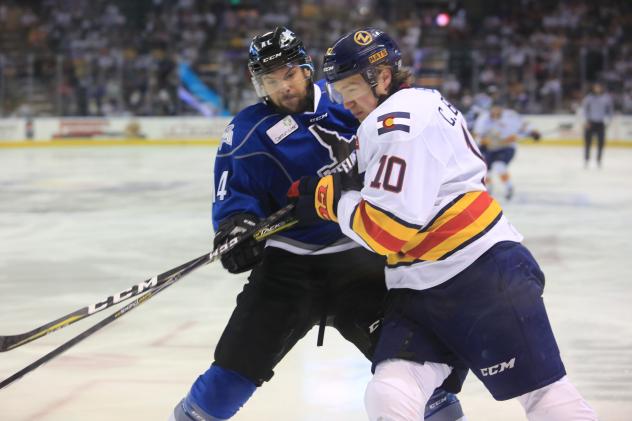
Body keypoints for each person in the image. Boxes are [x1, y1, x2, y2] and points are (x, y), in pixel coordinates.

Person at [288, 28, 598, 421]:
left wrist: (330, 199)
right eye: (338, 91)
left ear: (382, 78)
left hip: (477, 274)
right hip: (419, 287)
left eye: (351, 88)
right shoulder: (419, 103)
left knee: (544, 395)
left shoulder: (395, 122)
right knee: (389, 389)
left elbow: (386, 230)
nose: (345, 101)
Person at [170, 27, 465, 421]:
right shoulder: (245, 133)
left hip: (361, 260)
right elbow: (234, 198)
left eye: (288, 74)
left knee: (421, 376)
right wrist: (237, 230)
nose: (283, 87)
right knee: (229, 376)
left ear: (307, 69)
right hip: (288, 270)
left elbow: (396, 154)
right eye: (270, 80)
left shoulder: (349, 98)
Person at [472, 103, 540, 200]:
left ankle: (509, 188)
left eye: (498, 109)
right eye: (493, 110)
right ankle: (487, 190)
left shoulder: (511, 116)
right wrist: (482, 141)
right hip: (489, 149)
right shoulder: (483, 119)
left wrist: (533, 131)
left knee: (500, 166)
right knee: (485, 170)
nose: (495, 112)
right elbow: (477, 135)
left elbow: (524, 125)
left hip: (507, 148)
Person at [581, 82, 613, 168]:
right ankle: (586, 160)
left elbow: (610, 111)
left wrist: (608, 121)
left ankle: (599, 160)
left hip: (601, 123)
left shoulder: (606, 98)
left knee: (601, 143)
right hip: (590, 123)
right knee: (588, 143)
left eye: (599, 87)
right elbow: (584, 110)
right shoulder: (589, 98)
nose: (597, 89)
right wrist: (585, 121)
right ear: (593, 88)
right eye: (596, 87)